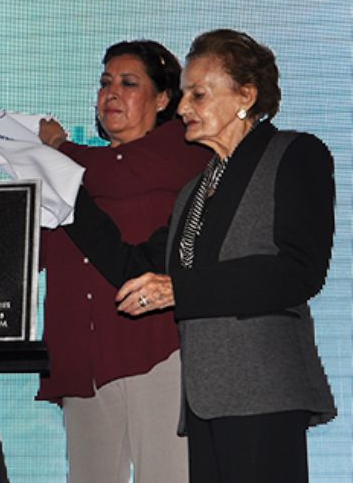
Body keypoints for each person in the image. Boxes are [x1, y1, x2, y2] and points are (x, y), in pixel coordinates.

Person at [64, 29, 336, 483]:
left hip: (263, 391)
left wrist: (179, 289)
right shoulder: (196, 188)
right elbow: (136, 266)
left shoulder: (294, 153)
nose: (182, 107)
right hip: (203, 401)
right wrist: (65, 192)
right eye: (184, 94)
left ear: (245, 95)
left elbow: (297, 271)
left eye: (198, 94)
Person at [37, 40, 211, 483]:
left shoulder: (183, 150)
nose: (110, 93)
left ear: (164, 99)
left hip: (155, 350)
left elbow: (112, 172)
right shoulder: (72, 175)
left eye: (129, 83)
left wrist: (56, 149)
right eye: (105, 83)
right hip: (84, 361)